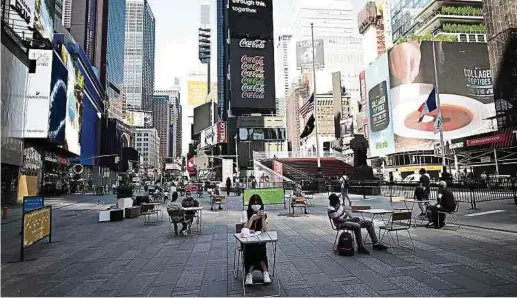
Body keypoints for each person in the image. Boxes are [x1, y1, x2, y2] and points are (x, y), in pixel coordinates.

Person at [244, 194, 271, 286]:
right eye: (254, 203)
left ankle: (264, 273)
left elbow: (266, 230)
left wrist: (263, 218)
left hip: (259, 239)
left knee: (260, 248)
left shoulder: (263, 213)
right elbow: (244, 230)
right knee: (253, 249)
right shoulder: (245, 213)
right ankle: (251, 273)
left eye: (258, 203)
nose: (256, 205)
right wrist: (251, 219)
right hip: (247, 241)